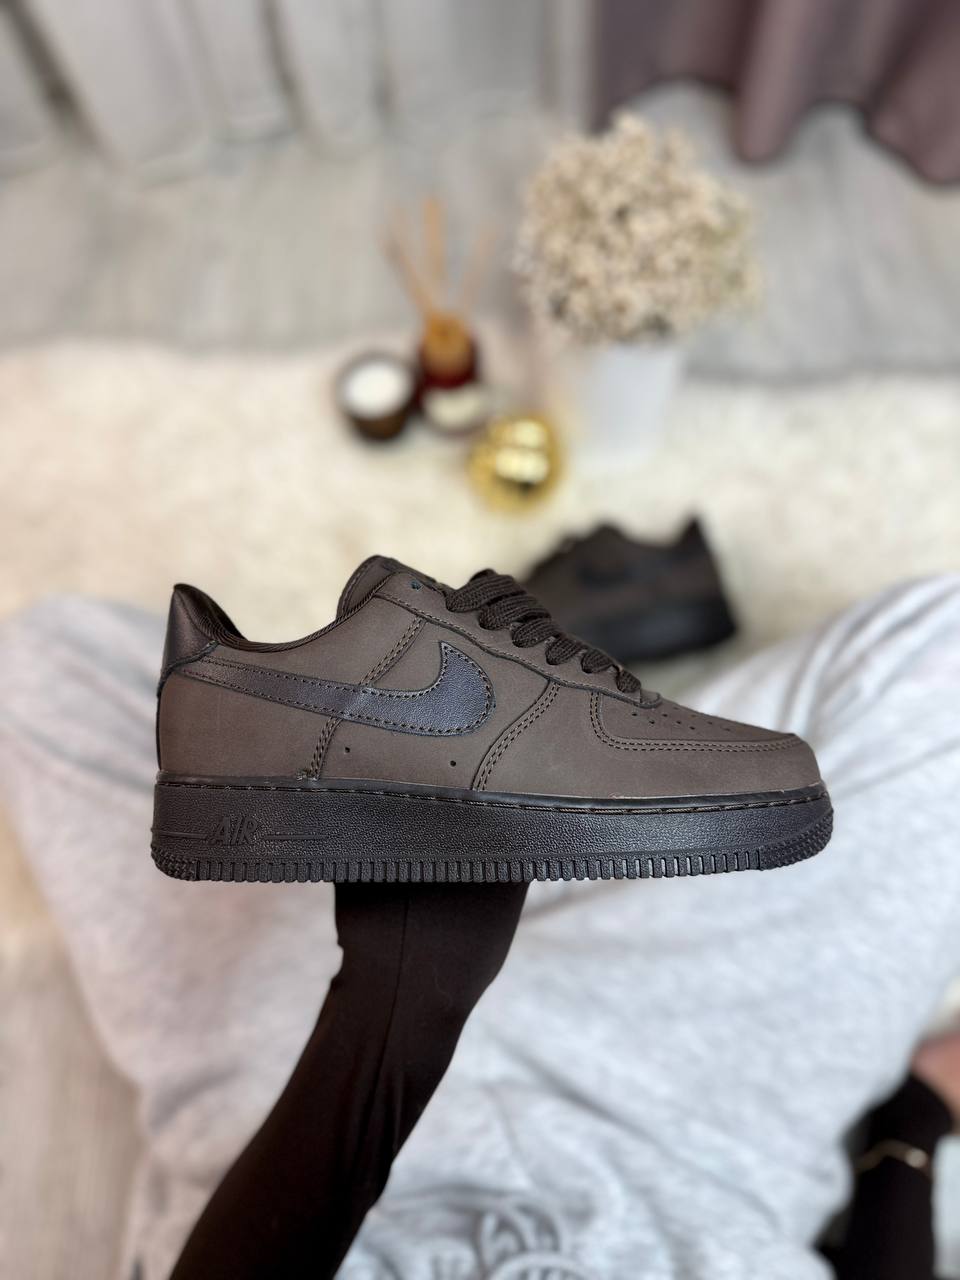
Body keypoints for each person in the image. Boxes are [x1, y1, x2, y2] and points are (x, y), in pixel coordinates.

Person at [166, 575, 960, 1280]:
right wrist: (913, 1122)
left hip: (315, 1115)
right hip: (704, 1136)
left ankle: (477, 711)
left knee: (116, 672)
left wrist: (395, 1006)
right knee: (943, 644)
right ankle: (507, 715)